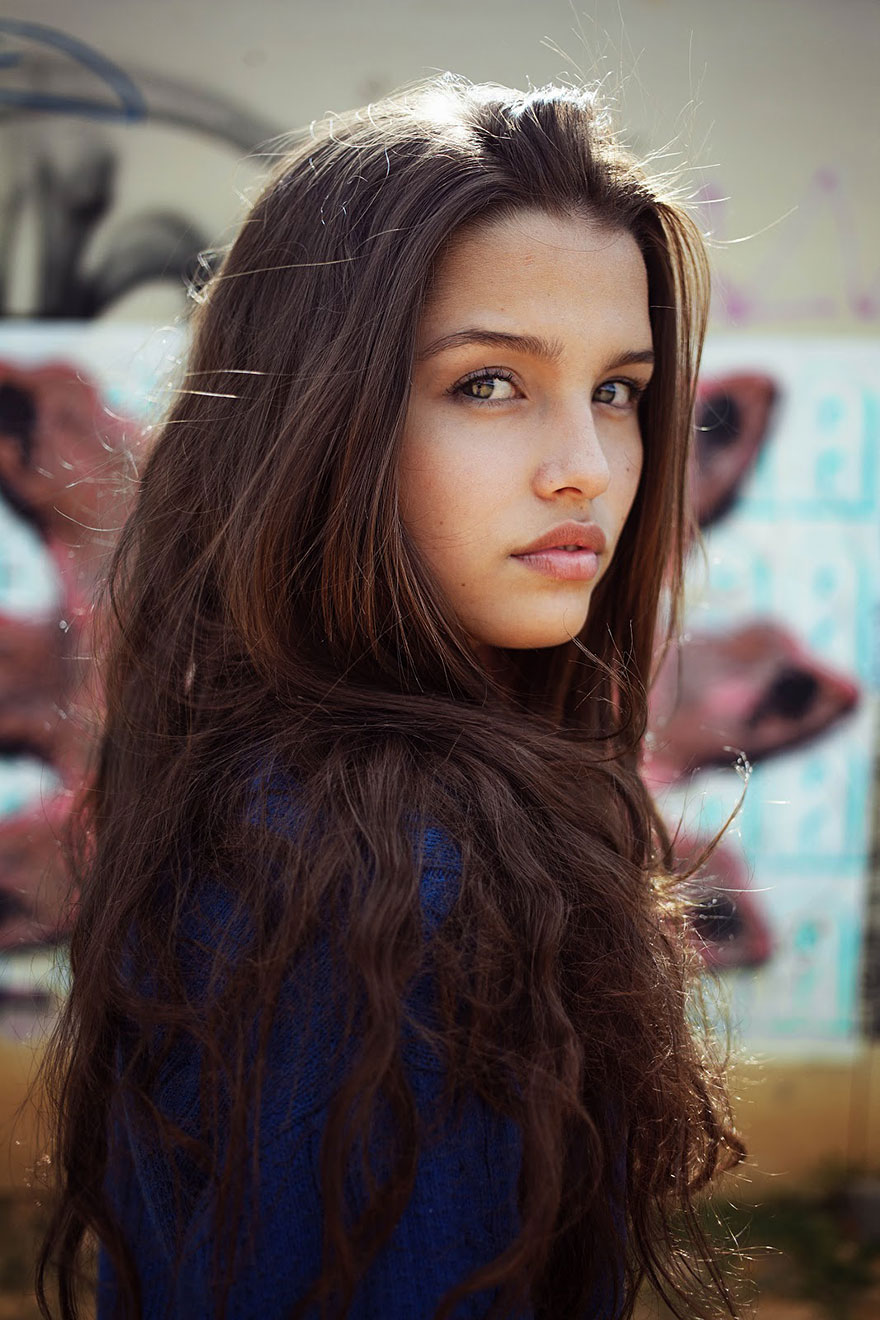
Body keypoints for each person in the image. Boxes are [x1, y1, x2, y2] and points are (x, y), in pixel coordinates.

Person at [34, 75, 745, 1319]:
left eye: (617, 390)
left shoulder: (256, 785)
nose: (585, 467)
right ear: (319, 421)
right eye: (488, 383)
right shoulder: (393, 879)